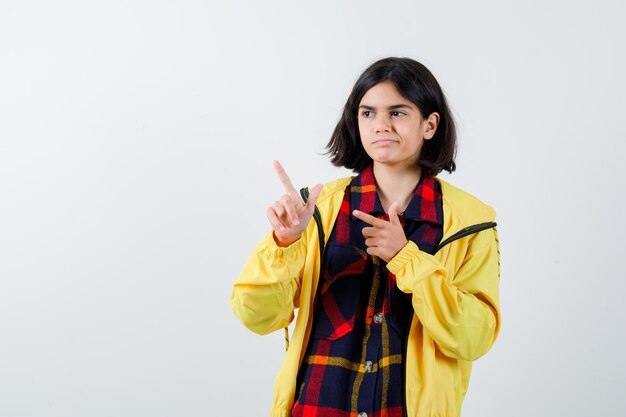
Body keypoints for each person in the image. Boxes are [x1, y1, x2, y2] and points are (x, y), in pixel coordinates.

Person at [231, 57, 501, 417]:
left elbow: (473, 338)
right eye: (368, 113)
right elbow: (256, 316)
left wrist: (407, 258)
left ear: (430, 125)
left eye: (398, 113)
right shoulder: (316, 210)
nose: (381, 125)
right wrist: (285, 245)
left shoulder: (470, 222)